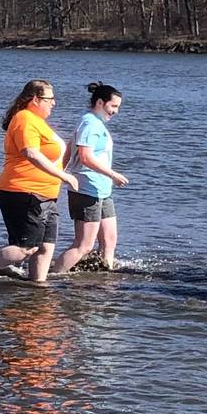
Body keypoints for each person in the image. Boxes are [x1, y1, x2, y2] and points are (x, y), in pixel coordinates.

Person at [0, 80, 78, 285]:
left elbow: (54, 155)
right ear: (35, 99)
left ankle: (37, 287)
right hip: (23, 192)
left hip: (47, 195)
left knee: (46, 247)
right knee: (25, 248)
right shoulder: (24, 119)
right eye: (50, 99)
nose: (54, 103)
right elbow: (30, 152)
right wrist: (64, 176)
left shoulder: (39, 122)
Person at [51, 82, 129, 273]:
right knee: (83, 245)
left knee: (109, 240)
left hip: (102, 190)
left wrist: (62, 169)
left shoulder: (94, 122)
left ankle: (104, 279)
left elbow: (70, 146)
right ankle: (48, 278)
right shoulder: (90, 123)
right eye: (113, 106)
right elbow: (85, 157)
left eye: (118, 107)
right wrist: (113, 174)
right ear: (100, 103)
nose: (116, 111)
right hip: (86, 189)